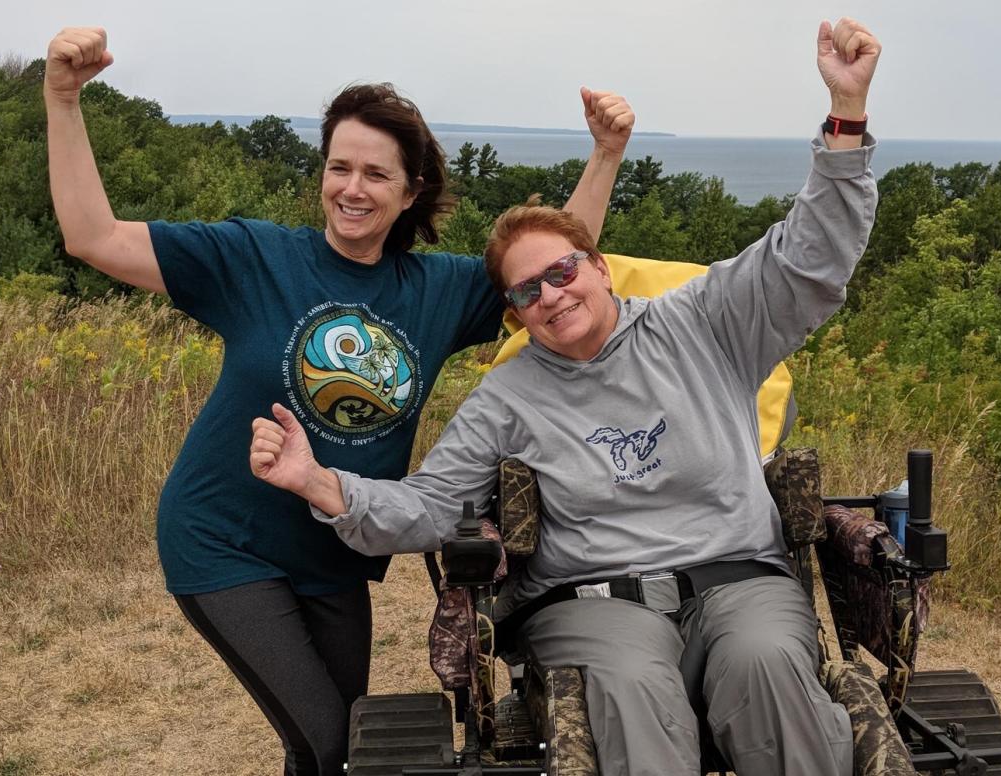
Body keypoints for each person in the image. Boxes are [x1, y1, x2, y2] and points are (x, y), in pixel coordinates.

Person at [250, 17, 880, 776]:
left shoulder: (705, 321)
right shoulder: (509, 397)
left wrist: (846, 119)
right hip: (597, 604)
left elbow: (810, 258)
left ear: (599, 267)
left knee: (769, 669)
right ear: (515, 314)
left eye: (563, 271)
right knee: (628, 692)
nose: (552, 294)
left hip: (739, 580)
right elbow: (430, 504)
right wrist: (319, 482)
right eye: (527, 290)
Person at [43, 26, 634, 776]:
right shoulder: (253, 258)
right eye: (339, 167)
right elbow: (91, 236)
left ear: (411, 190)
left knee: (339, 748)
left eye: (376, 174)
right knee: (327, 743)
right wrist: (63, 98)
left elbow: (553, 269)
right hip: (224, 540)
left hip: (336, 552)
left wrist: (606, 155)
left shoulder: (437, 290)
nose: (353, 188)